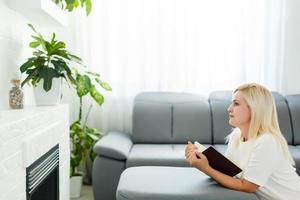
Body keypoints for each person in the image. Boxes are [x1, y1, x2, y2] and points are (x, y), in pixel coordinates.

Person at [185, 83, 300, 200]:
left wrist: (206, 168)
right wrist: (202, 159)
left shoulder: (266, 141)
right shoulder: (236, 135)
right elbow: (230, 175)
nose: (229, 108)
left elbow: (248, 186)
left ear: (254, 109)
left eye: (236, 103)